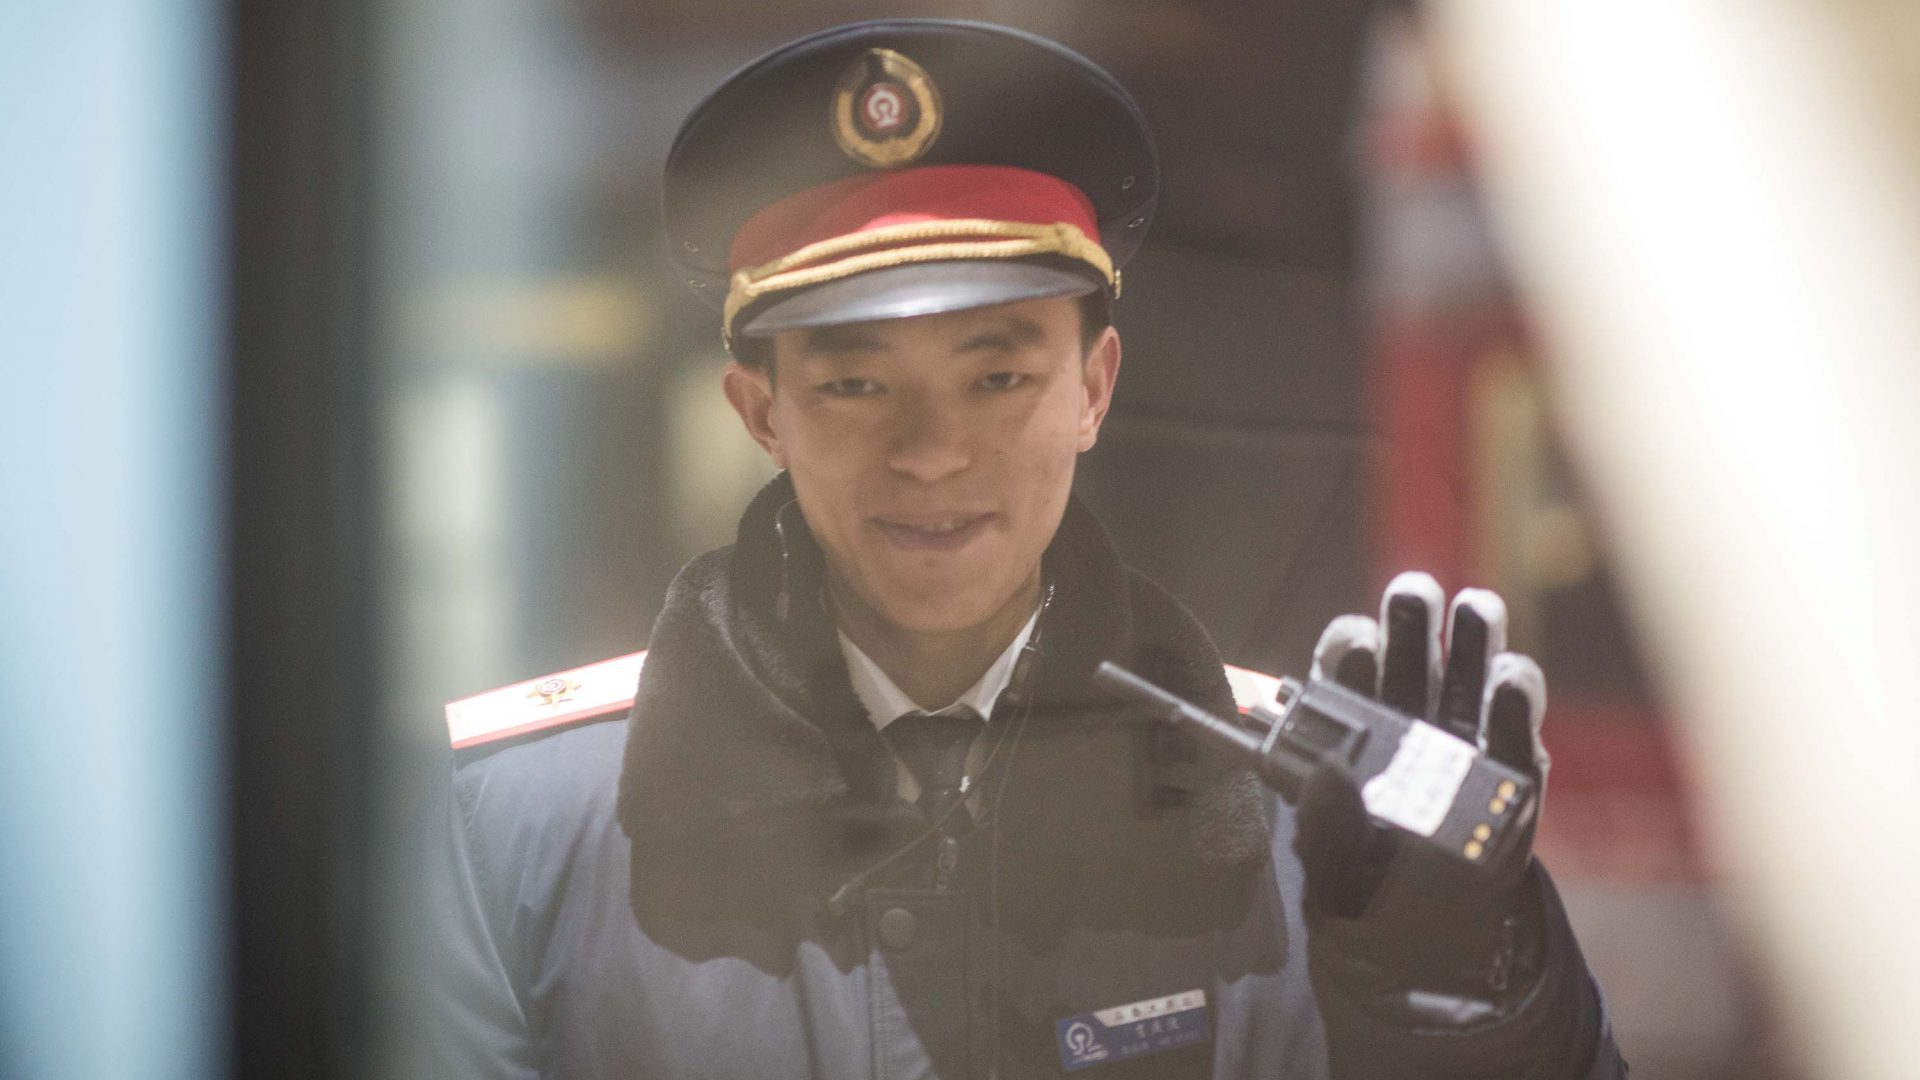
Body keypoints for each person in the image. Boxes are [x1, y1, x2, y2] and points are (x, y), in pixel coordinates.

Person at [433, 19, 1625, 1079]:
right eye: (854, 385)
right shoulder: (521, 821)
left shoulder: (1314, 819)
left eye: (998, 376)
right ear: (762, 415)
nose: (932, 453)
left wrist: (1476, 1008)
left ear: (1093, 389)